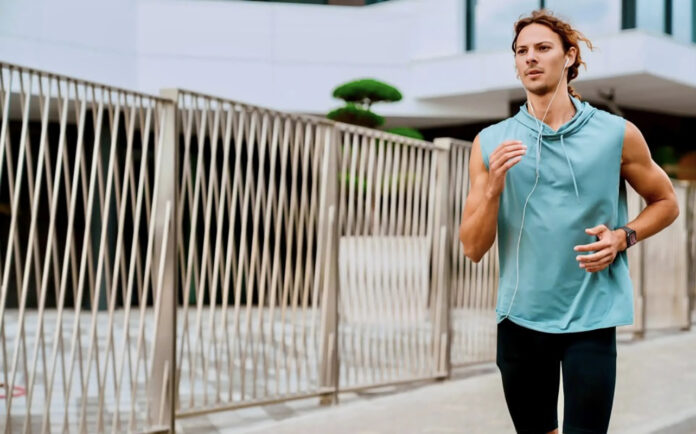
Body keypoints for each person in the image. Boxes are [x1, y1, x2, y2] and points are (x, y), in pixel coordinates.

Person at [458, 9, 680, 434]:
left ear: (569, 56)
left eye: (543, 48)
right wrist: (492, 190)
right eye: (522, 51)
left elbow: (666, 201)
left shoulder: (617, 133)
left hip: (591, 318)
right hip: (520, 319)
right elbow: (472, 247)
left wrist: (622, 237)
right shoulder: (491, 142)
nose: (530, 58)